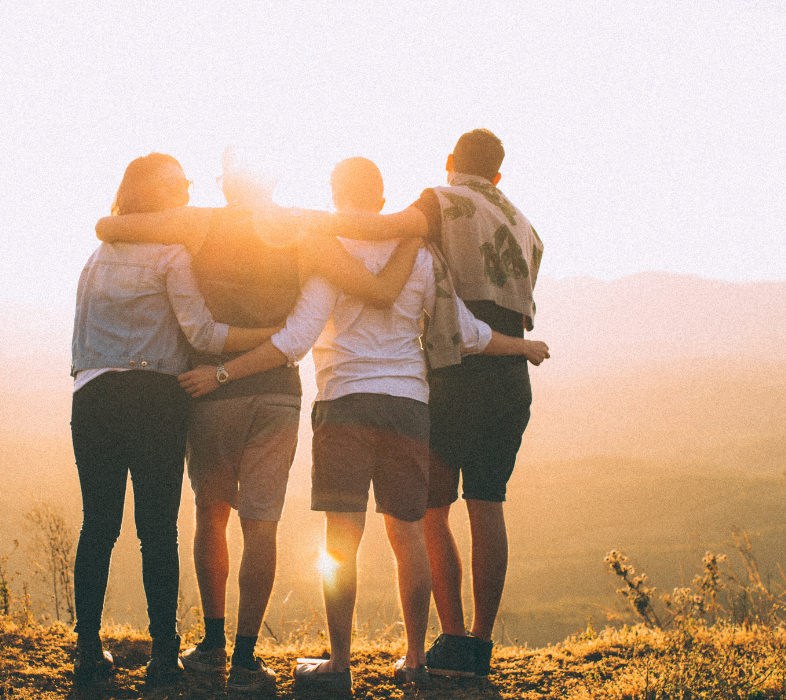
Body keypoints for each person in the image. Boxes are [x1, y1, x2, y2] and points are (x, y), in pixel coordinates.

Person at [178, 157, 548, 693]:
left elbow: (296, 340)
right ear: (381, 200)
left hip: (343, 404)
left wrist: (223, 372)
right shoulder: (420, 255)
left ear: (335, 194)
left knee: (341, 542)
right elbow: (467, 332)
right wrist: (524, 347)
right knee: (408, 537)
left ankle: (340, 662)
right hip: (408, 407)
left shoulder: (328, 253)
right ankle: (416, 660)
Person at [94, 146, 422, 693]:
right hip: (276, 394)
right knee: (261, 523)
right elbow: (376, 290)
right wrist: (413, 234)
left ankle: (213, 642)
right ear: (273, 180)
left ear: (226, 185)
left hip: (211, 389)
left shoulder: (198, 224)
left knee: (211, 513)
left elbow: (110, 228)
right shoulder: (302, 232)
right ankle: (247, 656)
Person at [310, 131, 545, 678]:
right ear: (499, 175)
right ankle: (478, 648)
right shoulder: (527, 226)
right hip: (508, 373)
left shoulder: (440, 201)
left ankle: (450, 638)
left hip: (454, 369)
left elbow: (384, 229)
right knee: (488, 505)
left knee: (429, 513)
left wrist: (303, 222)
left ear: (449, 162)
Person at [69, 153, 280, 688]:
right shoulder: (171, 254)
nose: (187, 191)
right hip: (155, 399)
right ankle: (163, 654)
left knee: (98, 525)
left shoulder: (97, 256)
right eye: (178, 184)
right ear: (153, 195)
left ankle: (88, 650)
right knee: (156, 530)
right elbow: (204, 336)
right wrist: (269, 337)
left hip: (92, 396)